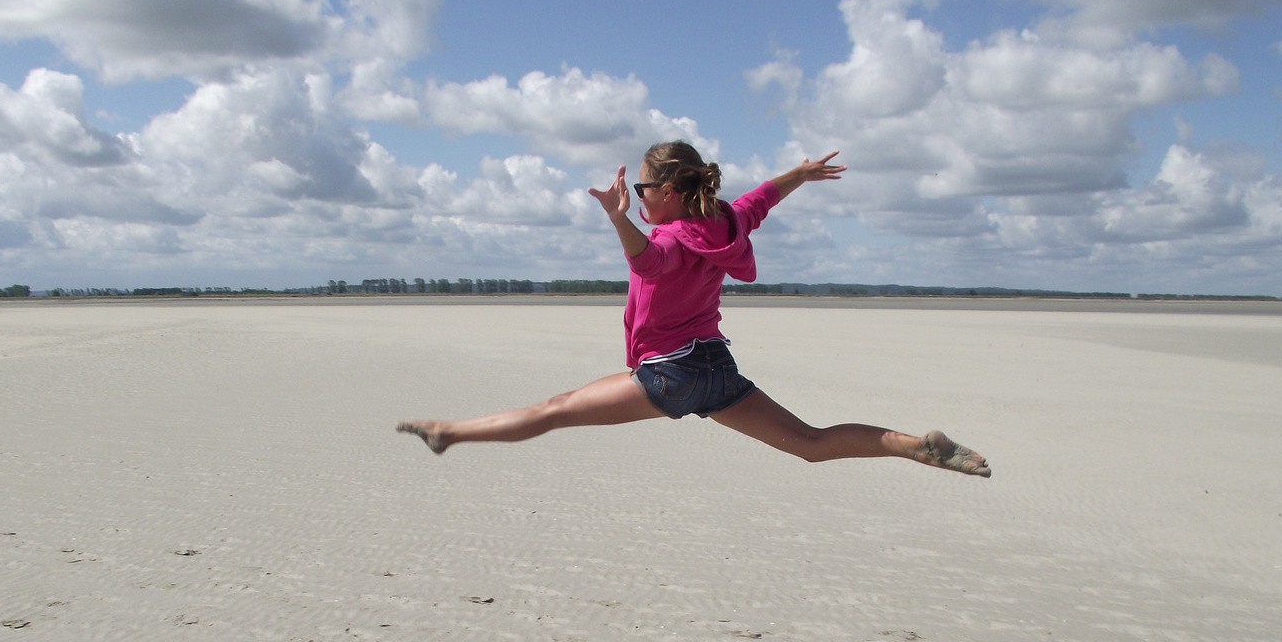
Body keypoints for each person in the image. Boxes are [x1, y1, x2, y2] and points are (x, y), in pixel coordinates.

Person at [397, 141, 990, 478]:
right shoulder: (726, 221)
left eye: (647, 191)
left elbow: (648, 262)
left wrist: (616, 216)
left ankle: (449, 432)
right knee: (809, 443)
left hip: (672, 373)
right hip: (716, 373)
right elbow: (762, 198)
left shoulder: (669, 238)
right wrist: (802, 174)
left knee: (554, 409)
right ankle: (912, 444)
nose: (643, 199)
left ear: (672, 191)